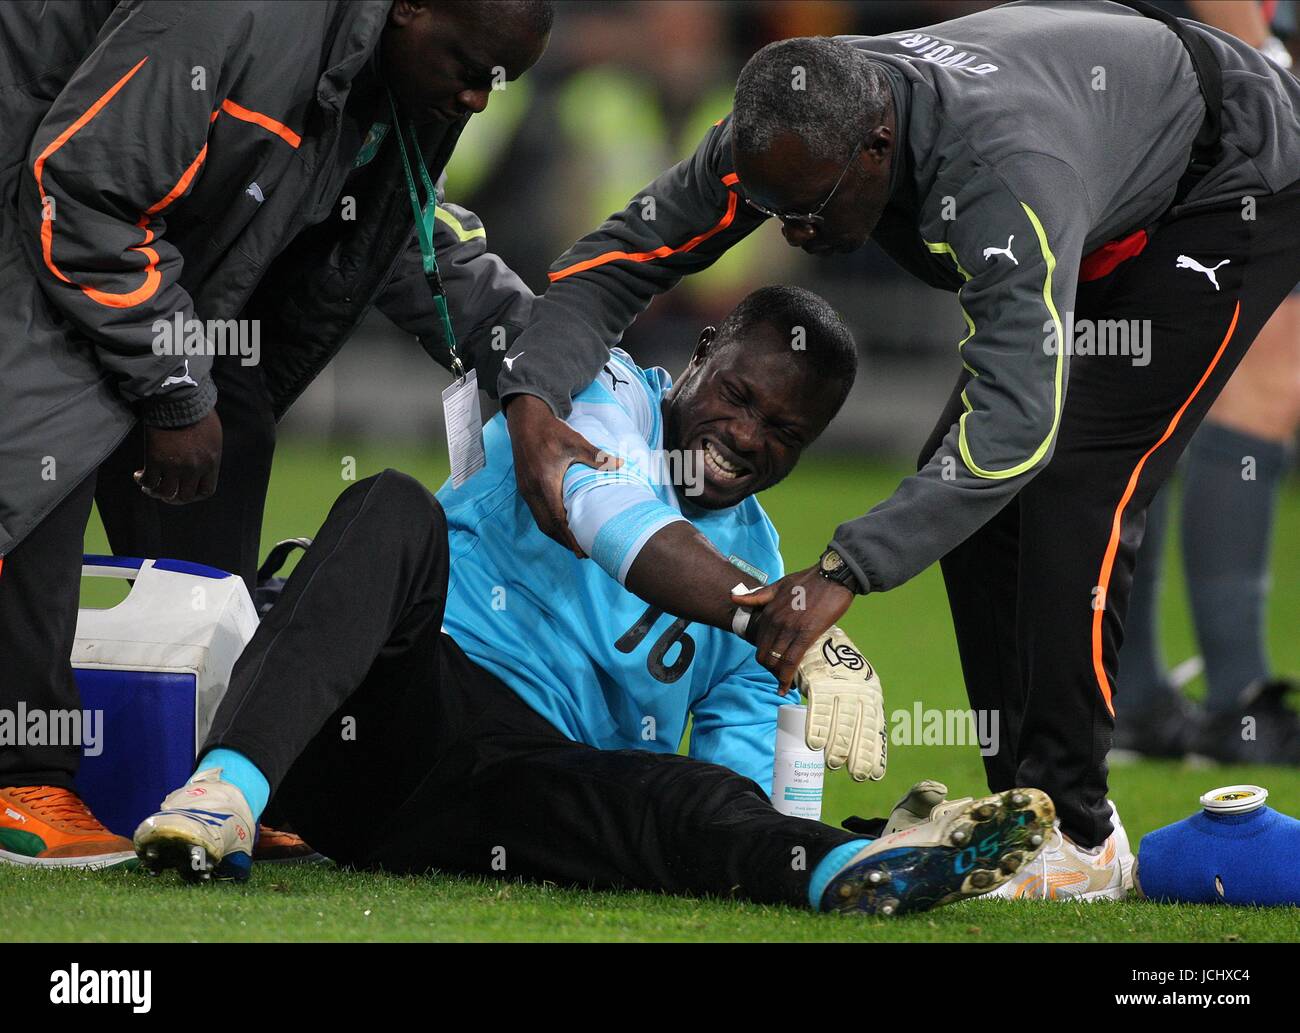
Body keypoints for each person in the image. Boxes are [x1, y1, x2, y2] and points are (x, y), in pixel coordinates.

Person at [495, 1, 1300, 898]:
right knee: (968, 498)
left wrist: (846, 566)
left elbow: (1016, 430)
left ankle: (1079, 833)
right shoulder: (785, 131)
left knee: (1070, 473)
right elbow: (620, 254)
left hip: (1226, 178)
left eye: (809, 210)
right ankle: (1031, 807)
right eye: (774, 210)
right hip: (1105, 148)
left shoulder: (1003, 174)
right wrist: (532, 395)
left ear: (879, 147)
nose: (791, 235)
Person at [133, 286, 1054, 916]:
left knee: (688, 795)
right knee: (391, 505)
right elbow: (608, 513)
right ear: (700, 352)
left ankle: (865, 866)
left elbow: (745, 760)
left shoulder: (769, 565)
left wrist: (802, 829)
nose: (744, 436)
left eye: (784, 432)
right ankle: (226, 794)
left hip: (515, 790)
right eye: (738, 395)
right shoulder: (593, 389)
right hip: (392, 705)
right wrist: (775, 619)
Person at [0, 0, 550, 868]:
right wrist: (174, 387)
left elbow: (402, 237)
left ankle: (216, 774)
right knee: (44, 430)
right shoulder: (241, 17)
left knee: (231, 412)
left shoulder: (405, 81)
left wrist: (546, 367)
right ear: (408, 9)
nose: (482, 98)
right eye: (472, 66)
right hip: (35, 190)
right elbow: (76, 190)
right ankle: (21, 779)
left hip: (137, 232)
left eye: (500, 80)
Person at [1115, 0, 1300, 765]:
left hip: (1172, 77)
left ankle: (1137, 701)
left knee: (1138, 374)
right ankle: (1229, 705)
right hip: (1197, 80)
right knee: (1261, 365)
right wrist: (1274, 64)